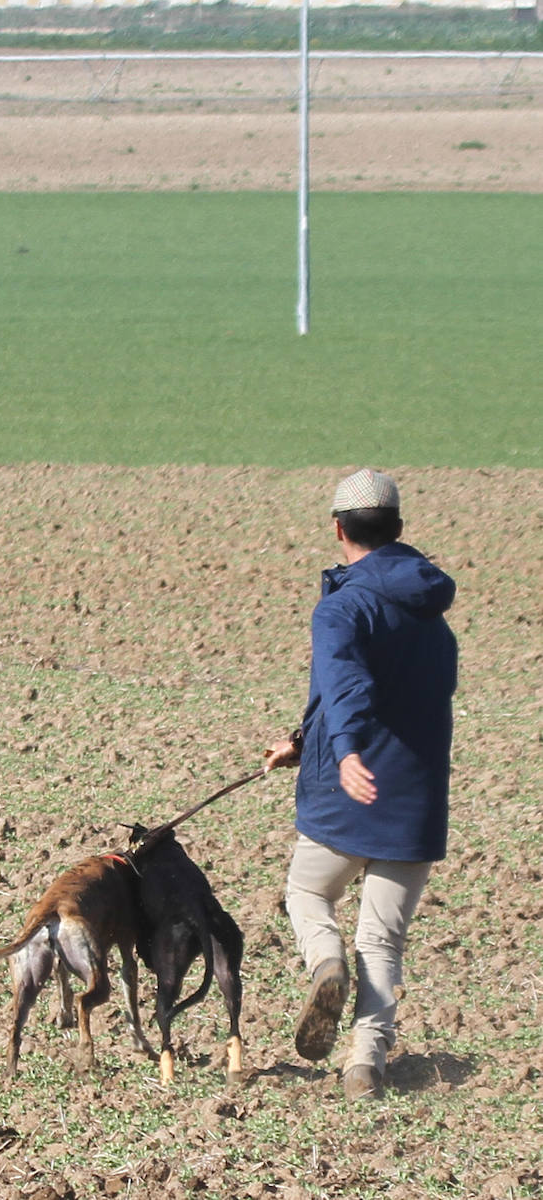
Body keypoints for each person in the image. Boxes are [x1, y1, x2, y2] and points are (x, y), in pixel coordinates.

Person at [265, 467, 458, 1103]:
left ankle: (325, 964)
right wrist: (302, 740)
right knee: (383, 937)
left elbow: (346, 685)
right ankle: (363, 1066)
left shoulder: (342, 605)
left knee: (305, 893)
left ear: (338, 528)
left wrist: (342, 751)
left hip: (349, 789)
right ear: (398, 528)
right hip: (416, 800)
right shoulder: (432, 614)